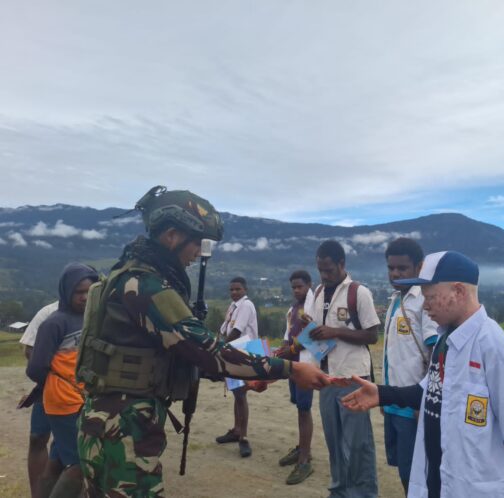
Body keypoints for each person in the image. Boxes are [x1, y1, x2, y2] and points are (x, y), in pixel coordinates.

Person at [75, 186, 328, 497]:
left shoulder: (126, 274)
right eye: (196, 242)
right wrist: (289, 369)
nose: (198, 251)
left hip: (108, 420)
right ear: (171, 235)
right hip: (122, 426)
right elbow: (210, 353)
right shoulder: (144, 285)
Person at [341, 250, 504, 498]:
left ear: (459, 291)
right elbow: (428, 390)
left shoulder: (491, 344)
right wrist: (382, 394)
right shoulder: (446, 339)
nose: (425, 304)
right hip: (439, 477)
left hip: (478, 485)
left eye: (431, 296)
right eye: (423, 296)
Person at [310, 239, 381, 498]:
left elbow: (372, 335)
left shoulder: (358, 292)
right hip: (328, 378)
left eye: (329, 269)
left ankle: (363, 493)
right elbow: (315, 332)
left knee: (358, 442)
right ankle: (339, 490)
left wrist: (335, 332)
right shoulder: (318, 293)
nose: (325, 275)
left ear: (342, 264)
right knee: (334, 441)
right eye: (320, 270)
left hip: (353, 378)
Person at [27, 263, 99, 498]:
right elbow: (35, 367)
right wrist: (57, 384)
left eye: (90, 291)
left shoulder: (89, 319)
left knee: (57, 457)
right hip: (63, 401)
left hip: (79, 399)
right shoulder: (55, 323)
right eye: (79, 292)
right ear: (67, 291)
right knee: (81, 463)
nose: (85, 297)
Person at [382, 238, 438, 494]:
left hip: (413, 404)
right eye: (391, 268)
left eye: (402, 268)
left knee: (414, 472)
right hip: (392, 400)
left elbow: (435, 352)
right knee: (401, 466)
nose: (395, 273)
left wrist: (425, 399)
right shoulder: (396, 299)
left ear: (419, 267)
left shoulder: (423, 302)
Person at [274, 270, 316, 484]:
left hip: (305, 364)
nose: (297, 290)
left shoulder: (313, 306)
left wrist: (289, 349)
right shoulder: (292, 310)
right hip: (292, 364)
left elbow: (314, 333)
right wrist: (281, 352)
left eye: (300, 286)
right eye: (293, 287)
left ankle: (304, 460)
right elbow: (286, 335)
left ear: (309, 284)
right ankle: (302, 447)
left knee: (304, 408)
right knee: (299, 406)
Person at [215, 276, 259, 457]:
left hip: (246, 351)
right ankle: (236, 429)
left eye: (237, 289)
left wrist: (219, 348)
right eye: (231, 290)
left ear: (245, 290)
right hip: (235, 352)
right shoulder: (233, 307)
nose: (234, 292)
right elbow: (225, 329)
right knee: (236, 393)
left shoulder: (246, 305)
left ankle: (244, 437)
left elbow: (236, 331)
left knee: (241, 394)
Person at [19, 300, 58, 498]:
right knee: (38, 438)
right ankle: (38, 494)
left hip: (86, 390)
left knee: (69, 444)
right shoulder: (49, 313)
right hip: (49, 386)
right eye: (78, 290)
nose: (84, 296)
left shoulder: (100, 313)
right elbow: (29, 350)